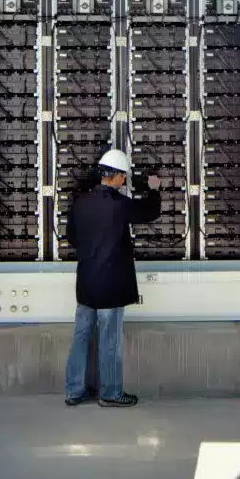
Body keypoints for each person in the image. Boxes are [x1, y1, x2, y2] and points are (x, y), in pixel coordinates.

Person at [64, 147, 162, 407]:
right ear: (117, 176)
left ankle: (74, 391)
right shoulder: (120, 206)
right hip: (110, 286)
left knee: (81, 336)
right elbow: (150, 213)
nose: (124, 181)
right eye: (124, 177)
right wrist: (153, 188)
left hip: (86, 283)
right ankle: (110, 393)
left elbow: (72, 237)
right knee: (110, 340)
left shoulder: (81, 203)